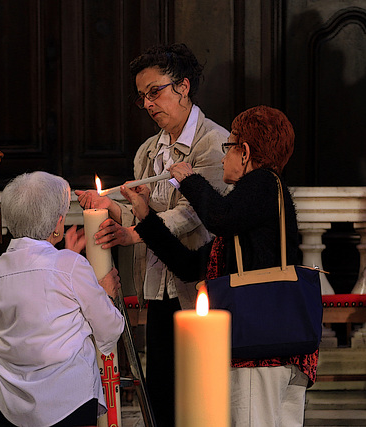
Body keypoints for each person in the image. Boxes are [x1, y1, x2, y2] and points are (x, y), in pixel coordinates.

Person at [108, 106, 318, 427]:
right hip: (270, 346)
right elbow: (189, 266)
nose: (223, 159)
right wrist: (145, 216)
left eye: (228, 147)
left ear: (244, 152)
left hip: (259, 351)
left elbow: (219, 217)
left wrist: (189, 178)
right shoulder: (251, 207)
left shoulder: (262, 182)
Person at [75, 43, 229, 426]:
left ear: (183, 87)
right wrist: (109, 206)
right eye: (141, 96)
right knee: (160, 385)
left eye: (155, 92)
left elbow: (192, 215)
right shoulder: (148, 150)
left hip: (198, 282)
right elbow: (143, 208)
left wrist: (131, 232)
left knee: (199, 390)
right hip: (158, 283)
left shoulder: (213, 141)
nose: (147, 104)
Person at [0, 171, 125, 427]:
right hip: (67, 399)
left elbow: (31, 304)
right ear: (58, 223)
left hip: (11, 403)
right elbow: (109, 327)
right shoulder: (70, 266)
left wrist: (66, 262)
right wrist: (103, 293)